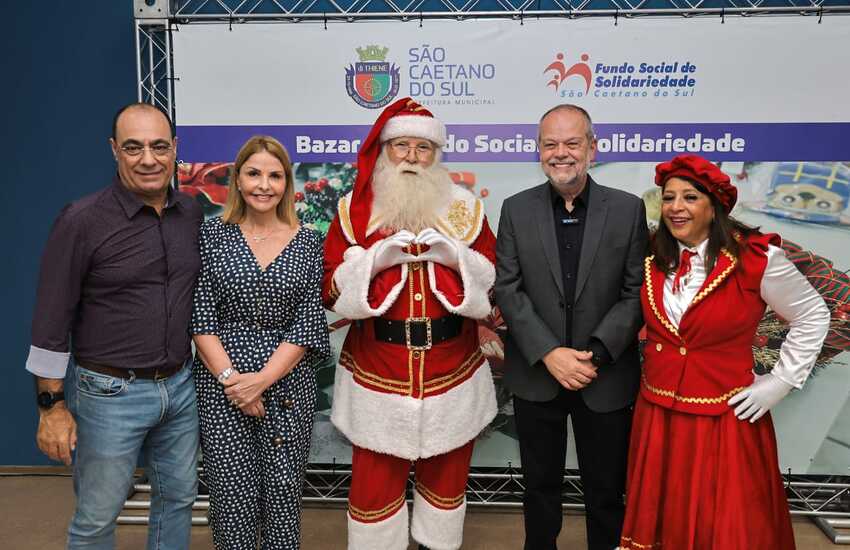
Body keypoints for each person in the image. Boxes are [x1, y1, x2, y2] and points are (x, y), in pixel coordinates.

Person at [617, 154, 830, 550]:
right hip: (658, 412)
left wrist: (779, 382)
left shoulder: (756, 259)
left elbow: (813, 315)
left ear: (714, 206)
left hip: (724, 419)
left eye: (690, 197)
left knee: (726, 523)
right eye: (669, 198)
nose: (676, 207)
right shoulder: (651, 257)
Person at [322, 97, 498, 550]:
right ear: (384, 150)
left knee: (445, 487)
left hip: (452, 372)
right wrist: (371, 264)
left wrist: (454, 259)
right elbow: (328, 288)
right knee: (373, 492)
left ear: (436, 155)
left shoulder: (464, 209)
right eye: (402, 146)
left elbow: (494, 277)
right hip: (378, 372)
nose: (412, 158)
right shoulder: (353, 211)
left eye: (423, 148)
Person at [26, 102, 203, 549]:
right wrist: (51, 407)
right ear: (114, 150)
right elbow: (50, 319)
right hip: (108, 395)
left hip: (181, 388)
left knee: (178, 500)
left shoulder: (192, 213)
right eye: (134, 147)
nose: (149, 159)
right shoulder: (81, 221)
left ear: (175, 149)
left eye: (159, 146)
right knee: (97, 517)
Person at [494, 104, 648, 550]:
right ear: (538, 150)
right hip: (537, 374)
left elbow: (635, 291)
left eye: (571, 143)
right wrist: (550, 353)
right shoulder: (515, 209)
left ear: (592, 148)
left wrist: (593, 354)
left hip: (605, 375)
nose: (560, 153)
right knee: (539, 488)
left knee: (606, 492)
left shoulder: (627, 209)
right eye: (550, 144)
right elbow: (508, 288)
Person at [191, 135, 330, 549]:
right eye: (254, 174)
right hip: (222, 386)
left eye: (275, 175)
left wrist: (263, 380)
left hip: (287, 383)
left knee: (283, 495)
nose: (263, 185)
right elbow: (201, 318)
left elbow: (307, 322)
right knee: (231, 496)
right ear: (237, 179)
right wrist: (236, 383)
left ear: (287, 183)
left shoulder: (308, 241)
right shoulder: (212, 235)